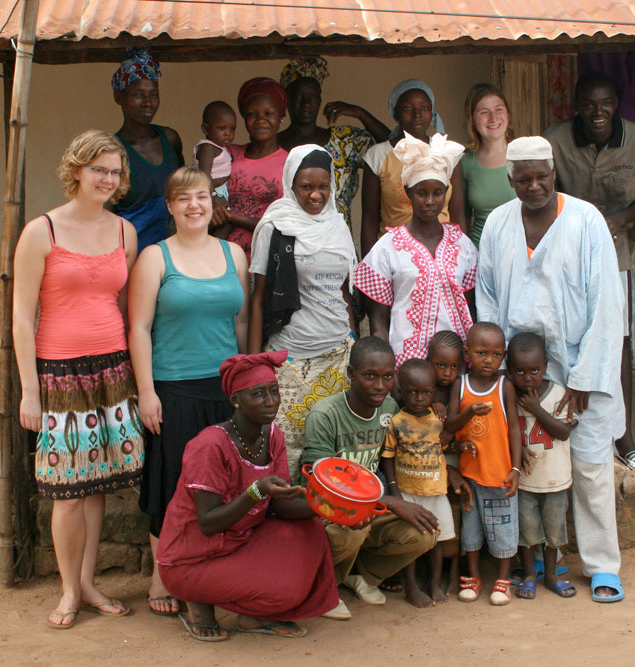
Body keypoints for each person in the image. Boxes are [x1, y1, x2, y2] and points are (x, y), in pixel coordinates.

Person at [475, 136, 627, 603]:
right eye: (524, 178)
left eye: (542, 175)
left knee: (590, 464)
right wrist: (500, 372)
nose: (534, 185)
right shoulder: (499, 223)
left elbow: (607, 303)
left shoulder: (585, 220)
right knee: (532, 464)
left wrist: (584, 377)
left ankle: (603, 565)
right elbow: (487, 296)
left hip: (581, 370)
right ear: (510, 179)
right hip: (521, 376)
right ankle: (537, 557)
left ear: (554, 172)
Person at [13, 130, 143, 629]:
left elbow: (125, 307)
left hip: (112, 369)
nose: (108, 179)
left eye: (115, 172)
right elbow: (23, 317)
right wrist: (30, 390)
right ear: (76, 171)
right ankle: (68, 591)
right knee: (67, 489)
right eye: (99, 169)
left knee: (96, 486)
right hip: (58, 373)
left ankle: (87, 582)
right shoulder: (40, 232)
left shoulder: (124, 233)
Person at [128, 167, 250, 617]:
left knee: (221, 484)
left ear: (214, 202)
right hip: (173, 388)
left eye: (202, 196)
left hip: (223, 391)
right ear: (170, 206)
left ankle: (211, 569)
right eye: (183, 198)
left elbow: (239, 322)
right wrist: (146, 391)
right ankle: (161, 577)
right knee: (172, 481)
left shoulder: (233, 254)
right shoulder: (155, 258)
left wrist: (244, 381)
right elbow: (139, 328)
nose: (194, 205)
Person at [157, 351, 339, 641]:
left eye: (274, 391)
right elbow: (208, 523)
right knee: (285, 590)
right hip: (191, 560)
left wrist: (332, 507)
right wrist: (255, 492)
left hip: (241, 541)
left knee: (311, 532)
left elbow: (280, 506)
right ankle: (198, 598)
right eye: (258, 394)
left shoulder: (272, 435)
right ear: (235, 401)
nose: (270, 402)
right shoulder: (210, 446)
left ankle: (254, 616)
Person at [542, 71, 635, 471]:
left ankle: (623, 438)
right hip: (564, 260)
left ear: (616, 104)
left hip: (616, 256)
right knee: (561, 340)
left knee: (619, 343)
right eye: (590, 105)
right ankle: (562, 430)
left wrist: (618, 218)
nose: (598, 113)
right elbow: (542, 195)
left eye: (606, 104)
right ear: (576, 105)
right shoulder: (554, 140)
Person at [301, 336, 438, 619]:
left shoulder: (389, 409)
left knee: (426, 531)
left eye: (387, 377)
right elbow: (320, 485)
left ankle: (359, 575)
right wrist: (392, 501)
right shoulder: (325, 415)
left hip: (370, 505)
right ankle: (325, 588)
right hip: (327, 510)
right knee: (352, 524)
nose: (379, 386)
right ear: (351, 374)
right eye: (369, 376)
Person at [248, 145, 358, 480]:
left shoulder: (338, 224)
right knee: (286, 453)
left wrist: (354, 341)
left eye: (323, 186)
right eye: (306, 187)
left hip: (338, 355)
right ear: (290, 186)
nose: (315, 195)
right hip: (290, 360)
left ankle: (330, 527)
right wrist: (254, 367)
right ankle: (286, 525)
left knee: (335, 453)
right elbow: (259, 297)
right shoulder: (275, 226)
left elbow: (344, 291)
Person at [356, 132, 476, 367]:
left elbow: (471, 307)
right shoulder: (388, 246)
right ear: (409, 193)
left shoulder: (462, 245)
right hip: (407, 364)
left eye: (437, 193)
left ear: (446, 194)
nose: (430, 201)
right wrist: (387, 367)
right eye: (422, 193)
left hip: (457, 364)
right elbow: (378, 319)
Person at [442, 322, 522, 606]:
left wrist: (515, 468)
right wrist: (470, 412)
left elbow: (514, 428)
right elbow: (449, 427)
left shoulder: (505, 386)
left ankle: (503, 578)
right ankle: (473, 576)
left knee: (504, 528)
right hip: (470, 476)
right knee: (471, 530)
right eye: (481, 353)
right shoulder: (459, 385)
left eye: (496, 354)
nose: (489, 360)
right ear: (467, 352)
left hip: (500, 474)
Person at [276, 56, 390, 228]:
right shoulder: (272, 145)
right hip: (288, 245)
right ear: (287, 100)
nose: (306, 103)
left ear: (320, 100)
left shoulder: (344, 140)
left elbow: (394, 147)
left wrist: (360, 113)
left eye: (313, 96)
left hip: (337, 246)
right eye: (299, 96)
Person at [380, 359, 456, 608]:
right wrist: (394, 490)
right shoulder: (397, 421)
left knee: (436, 541)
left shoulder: (438, 419)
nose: (419, 398)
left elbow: (444, 448)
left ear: (433, 391)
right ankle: (411, 586)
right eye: (412, 392)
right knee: (412, 543)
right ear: (401, 391)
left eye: (426, 392)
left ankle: (434, 582)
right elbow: (388, 456)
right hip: (407, 492)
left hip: (434, 491)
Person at [506, 332, 576, 600]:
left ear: (545, 365)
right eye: (520, 371)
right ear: (510, 370)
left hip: (555, 480)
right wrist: (519, 449)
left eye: (534, 370)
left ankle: (550, 575)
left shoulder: (558, 393)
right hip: (524, 482)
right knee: (527, 531)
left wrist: (537, 409)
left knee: (553, 531)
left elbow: (564, 432)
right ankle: (528, 575)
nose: (528, 377)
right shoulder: (509, 395)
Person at [360, 79, 452, 257]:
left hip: (441, 254)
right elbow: (369, 218)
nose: (417, 115)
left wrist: (458, 255)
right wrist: (369, 265)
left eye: (424, 108)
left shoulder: (447, 151)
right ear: (395, 113)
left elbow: (458, 212)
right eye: (408, 108)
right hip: (393, 255)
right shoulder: (378, 155)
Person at [111, 47, 184, 253]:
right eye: (138, 95)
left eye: (154, 94)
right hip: (131, 259)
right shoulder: (113, 152)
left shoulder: (170, 139)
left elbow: (184, 188)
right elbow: (103, 215)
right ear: (119, 97)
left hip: (173, 256)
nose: (148, 103)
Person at [215, 77, 289, 262]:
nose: (260, 120)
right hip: (221, 259)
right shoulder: (228, 155)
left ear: (281, 115)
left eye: (268, 113)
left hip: (269, 262)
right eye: (252, 114)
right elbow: (196, 185)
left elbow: (286, 225)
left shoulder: (291, 164)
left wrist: (231, 217)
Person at [425, 330, 469, 596]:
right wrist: (431, 401)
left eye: (454, 367)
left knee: (455, 515)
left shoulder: (458, 386)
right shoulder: (421, 386)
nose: (447, 373)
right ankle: (431, 573)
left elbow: (448, 432)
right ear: (429, 360)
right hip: (425, 464)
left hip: (451, 456)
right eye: (441, 365)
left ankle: (454, 571)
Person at [448, 83, 516, 247]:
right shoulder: (464, 162)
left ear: (508, 113)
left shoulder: (524, 154)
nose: (493, 118)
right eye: (484, 112)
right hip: (480, 254)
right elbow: (460, 218)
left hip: (521, 253)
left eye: (499, 109)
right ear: (472, 120)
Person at [192, 101, 236, 201]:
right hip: (208, 193)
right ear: (205, 129)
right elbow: (205, 175)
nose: (228, 133)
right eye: (222, 128)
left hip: (219, 192)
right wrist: (213, 196)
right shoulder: (207, 148)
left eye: (232, 129)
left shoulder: (221, 147)